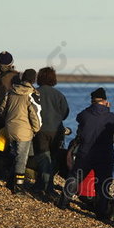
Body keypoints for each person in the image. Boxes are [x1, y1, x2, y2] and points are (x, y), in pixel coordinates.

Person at [58, 87, 114, 219]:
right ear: (105, 100)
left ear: (92, 101)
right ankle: (101, 212)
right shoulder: (111, 117)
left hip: (85, 153)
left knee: (74, 177)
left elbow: (79, 118)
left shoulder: (85, 114)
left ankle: (63, 202)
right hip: (104, 155)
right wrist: (107, 109)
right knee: (103, 183)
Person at [0, 69, 42, 193]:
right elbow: (35, 114)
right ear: (33, 79)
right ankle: (18, 187)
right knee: (22, 159)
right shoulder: (31, 94)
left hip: (10, 128)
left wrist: (7, 121)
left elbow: (2, 108)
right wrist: (36, 129)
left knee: (17, 155)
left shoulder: (11, 91)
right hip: (24, 130)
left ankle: (9, 181)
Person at [33, 67, 69, 195]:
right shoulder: (58, 94)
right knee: (52, 159)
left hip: (40, 130)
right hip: (56, 130)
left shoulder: (34, 93)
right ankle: (47, 186)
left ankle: (42, 185)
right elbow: (65, 113)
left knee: (43, 157)